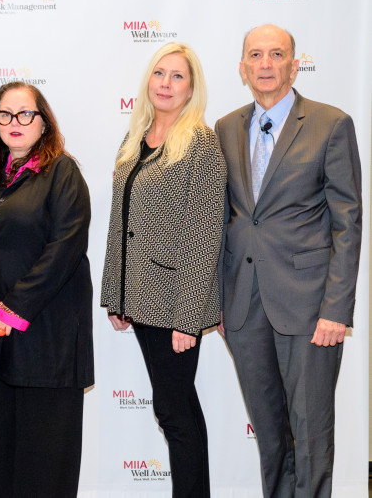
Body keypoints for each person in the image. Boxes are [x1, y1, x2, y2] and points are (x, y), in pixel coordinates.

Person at [215, 24, 361, 497]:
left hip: (309, 308)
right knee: (271, 434)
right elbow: (225, 220)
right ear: (242, 68)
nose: (265, 64)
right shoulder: (225, 127)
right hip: (244, 307)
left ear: (294, 65)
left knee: (311, 432)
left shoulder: (330, 123)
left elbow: (348, 223)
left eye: (276, 54)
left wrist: (336, 310)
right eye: (255, 55)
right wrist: (218, 300)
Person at [101, 42, 225, 498]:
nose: (167, 84)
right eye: (160, 74)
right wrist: (116, 294)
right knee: (173, 408)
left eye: (177, 76)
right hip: (140, 298)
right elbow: (121, 219)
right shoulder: (136, 136)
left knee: (175, 411)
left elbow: (205, 232)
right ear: (148, 81)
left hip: (175, 304)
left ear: (192, 87)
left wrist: (188, 319)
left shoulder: (201, 143)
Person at [0, 81, 93, 497]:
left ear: (43, 122)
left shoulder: (62, 172)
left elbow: (64, 250)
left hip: (48, 346)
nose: (14, 123)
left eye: (25, 114)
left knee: (44, 473)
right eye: (4, 114)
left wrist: (10, 309)